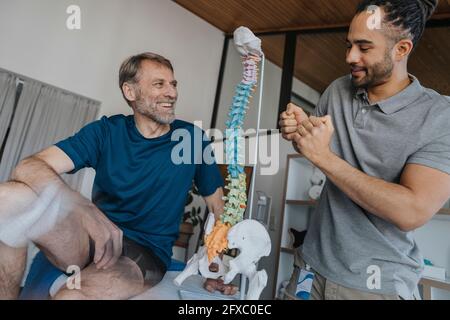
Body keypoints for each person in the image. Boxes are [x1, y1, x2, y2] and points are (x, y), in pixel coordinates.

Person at [0, 52, 225, 300]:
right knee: (8, 198)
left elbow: (217, 205)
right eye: (159, 84)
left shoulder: (192, 140)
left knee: (71, 297)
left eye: (173, 84)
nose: (172, 93)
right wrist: (82, 208)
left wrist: (216, 265)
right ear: (130, 92)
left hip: (143, 252)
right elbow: (28, 167)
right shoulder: (106, 131)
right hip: (91, 238)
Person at [280, 0, 450, 300]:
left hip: (375, 287)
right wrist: (300, 131)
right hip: (309, 268)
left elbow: (411, 210)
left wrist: (323, 156)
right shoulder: (337, 91)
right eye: (348, 45)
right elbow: (315, 146)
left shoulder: (439, 116)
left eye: (363, 47)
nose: (350, 56)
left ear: (402, 49)